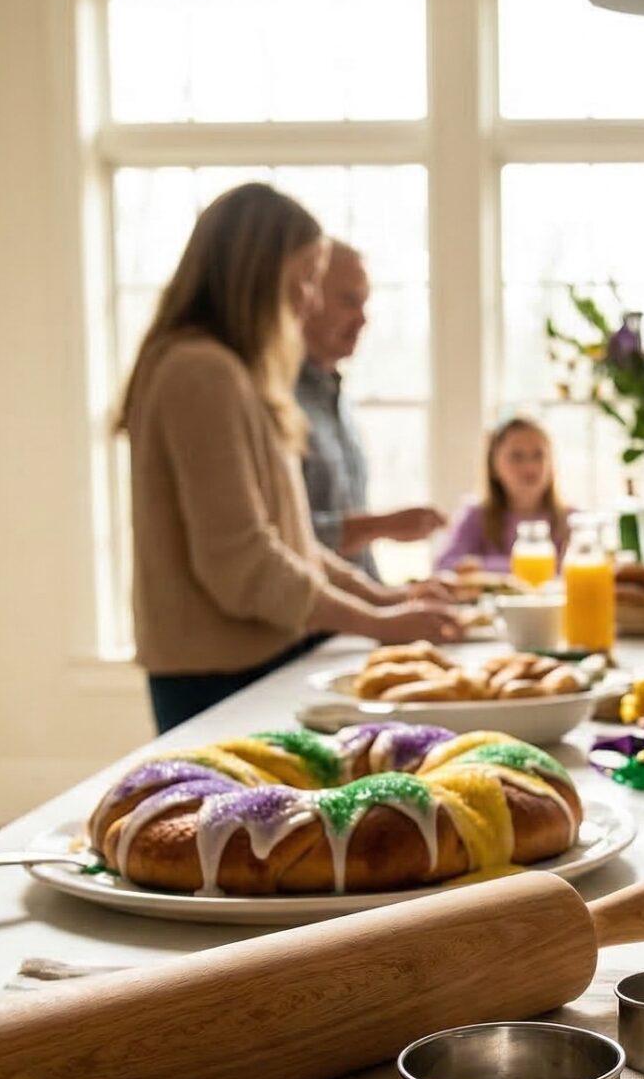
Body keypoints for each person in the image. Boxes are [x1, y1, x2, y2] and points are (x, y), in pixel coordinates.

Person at [120, 184, 460, 734]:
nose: (310, 299)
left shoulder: (230, 371)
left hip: (251, 664)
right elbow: (243, 562)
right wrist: (376, 621)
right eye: (303, 278)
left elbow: (291, 540)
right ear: (254, 275)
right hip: (221, 677)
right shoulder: (200, 372)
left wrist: (383, 598)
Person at [297, 240, 446, 578]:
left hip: (354, 618)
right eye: (349, 301)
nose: (362, 320)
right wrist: (380, 526)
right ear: (307, 296)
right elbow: (284, 542)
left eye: (365, 303)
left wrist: (395, 602)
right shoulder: (275, 401)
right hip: (310, 626)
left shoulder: (337, 400)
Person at [433, 416, 571, 573]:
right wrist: (517, 567)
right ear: (493, 466)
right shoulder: (476, 515)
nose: (529, 466)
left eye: (538, 455)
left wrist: (481, 566)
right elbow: (444, 564)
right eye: (516, 457)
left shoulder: (572, 520)